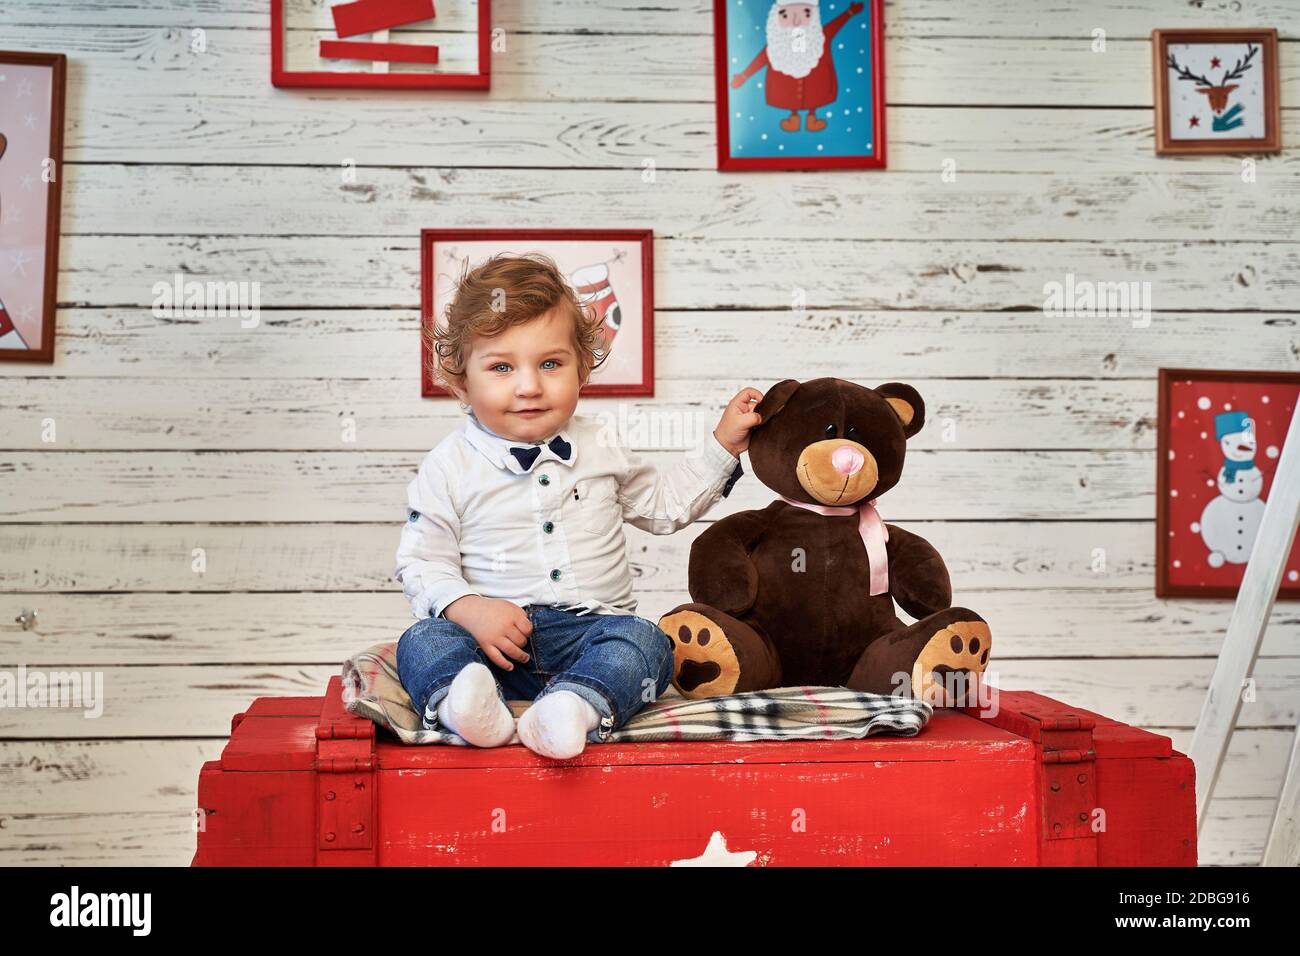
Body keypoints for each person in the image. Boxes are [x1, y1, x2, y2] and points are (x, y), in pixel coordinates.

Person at [394, 252, 764, 758]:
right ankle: (465, 706)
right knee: (423, 641)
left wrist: (721, 445)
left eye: (550, 363)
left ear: (583, 366)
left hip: (593, 633)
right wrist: (470, 609)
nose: (529, 386)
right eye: (501, 367)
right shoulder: (448, 465)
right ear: (461, 380)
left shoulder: (602, 446)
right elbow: (423, 560)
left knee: (649, 641)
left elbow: (664, 506)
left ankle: (573, 706)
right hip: (493, 645)